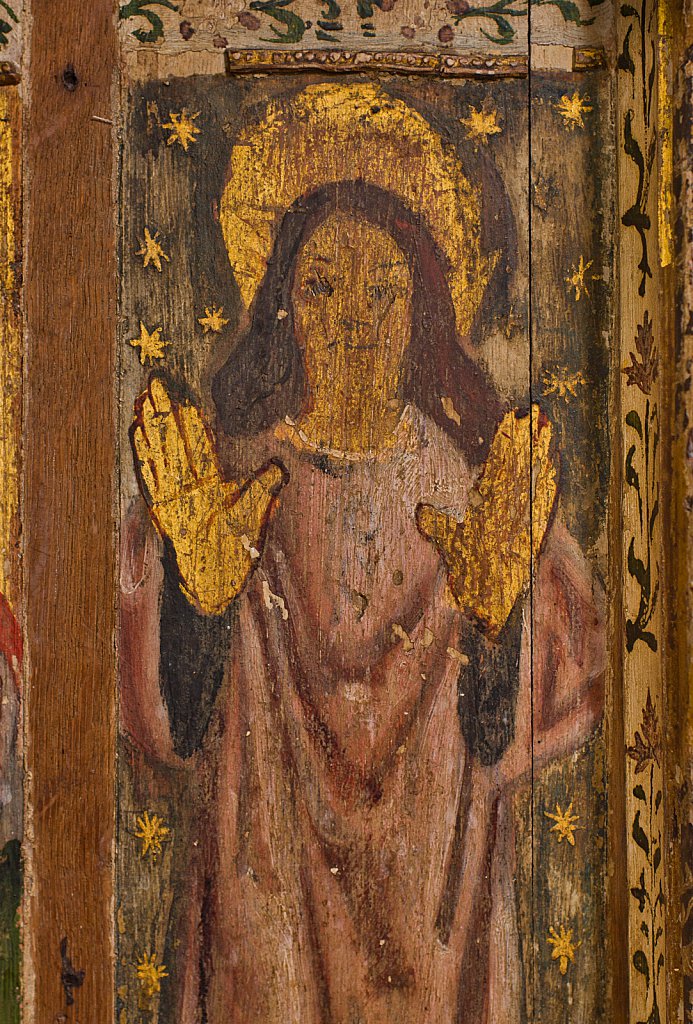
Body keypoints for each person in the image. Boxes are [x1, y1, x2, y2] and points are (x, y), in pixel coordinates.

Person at [121, 180, 605, 1023]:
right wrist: (197, 600)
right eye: (322, 287)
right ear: (283, 313)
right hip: (266, 898)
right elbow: (171, 735)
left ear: (420, 313)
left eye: (383, 290)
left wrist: (497, 621)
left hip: (432, 921)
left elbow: (509, 734)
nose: (354, 319)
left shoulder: (472, 493)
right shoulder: (223, 488)